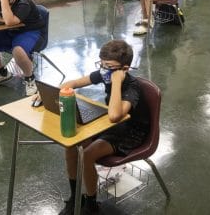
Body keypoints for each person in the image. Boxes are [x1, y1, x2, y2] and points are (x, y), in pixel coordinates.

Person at [57, 40, 149, 215]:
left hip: (131, 133)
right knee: (71, 145)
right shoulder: (106, 72)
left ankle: (92, 204)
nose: (104, 70)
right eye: (102, 64)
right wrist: (56, 90)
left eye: (110, 67)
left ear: (125, 69)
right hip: (112, 126)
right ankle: (75, 196)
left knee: (87, 155)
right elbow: (75, 83)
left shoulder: (132, 87)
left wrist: (116, 83)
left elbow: (115, 115)